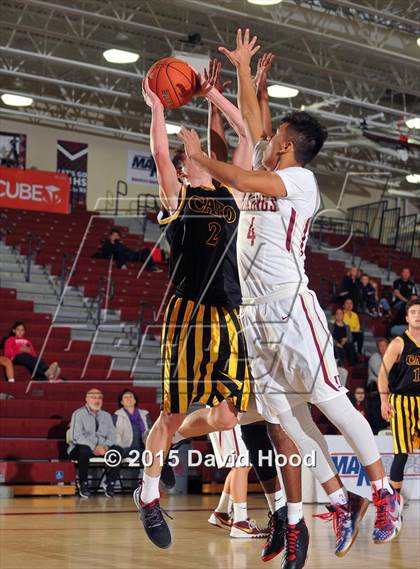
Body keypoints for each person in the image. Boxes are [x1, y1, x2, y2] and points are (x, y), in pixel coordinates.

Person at [177, 28, 402, 567]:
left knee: (329, 402)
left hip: (291, 307)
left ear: (287, 146)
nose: (266, 135)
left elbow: (238, 165)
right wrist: (244, 72)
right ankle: (338, 498)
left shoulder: (299, 180)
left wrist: (202, 160)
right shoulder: (272, 159)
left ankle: (383, 493)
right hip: (255, 317)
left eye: (275, 135)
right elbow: (255, 122)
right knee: (287, 418)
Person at [378, 298, 420, 496]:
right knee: (401, 453)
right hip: (402, 402)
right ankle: (393, 503)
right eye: (413, 312)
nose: (417, 315)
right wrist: (384, 400)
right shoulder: (398, 343)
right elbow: (383, 374)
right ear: (406, 317)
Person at [114, 389, 175, 489]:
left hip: (142, 446)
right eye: (125, 397)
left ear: (135, 400)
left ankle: (166, 480)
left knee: (157, 454)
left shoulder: (144, 414)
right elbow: (115, 434)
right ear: (121, 402)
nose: (129, 399)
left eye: (131, 397)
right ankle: (110, 484)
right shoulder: (117, 415)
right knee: (115, 454)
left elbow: (151, 431)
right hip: (125, 447)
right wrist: (119, 445)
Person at [68, 388, 122, 498]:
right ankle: (83, 482)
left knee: (118, 450)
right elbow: (76, 436)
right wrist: (94, 447)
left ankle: (109, 482)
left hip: (102, 448)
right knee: (84, 449)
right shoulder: (79, 414)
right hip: (80, 448)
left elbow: (112, 435)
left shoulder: (106, 415)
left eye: (99, 398)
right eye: (93, 397)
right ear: (86, 399)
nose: (96, 400)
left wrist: (106, 447)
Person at [94, 228, 161, 271]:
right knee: (119, 249)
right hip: (117, 256)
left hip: (129, 254)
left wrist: (134, 252)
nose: (116, 237)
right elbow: (107, 253)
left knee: (146, 251)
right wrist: (115, 244)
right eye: (114, 235)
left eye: (117, 236)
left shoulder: (120, 244)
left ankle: (152, 267)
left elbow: (127, 250)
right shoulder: (107, 244)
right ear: (110, 236)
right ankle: (122, 265)